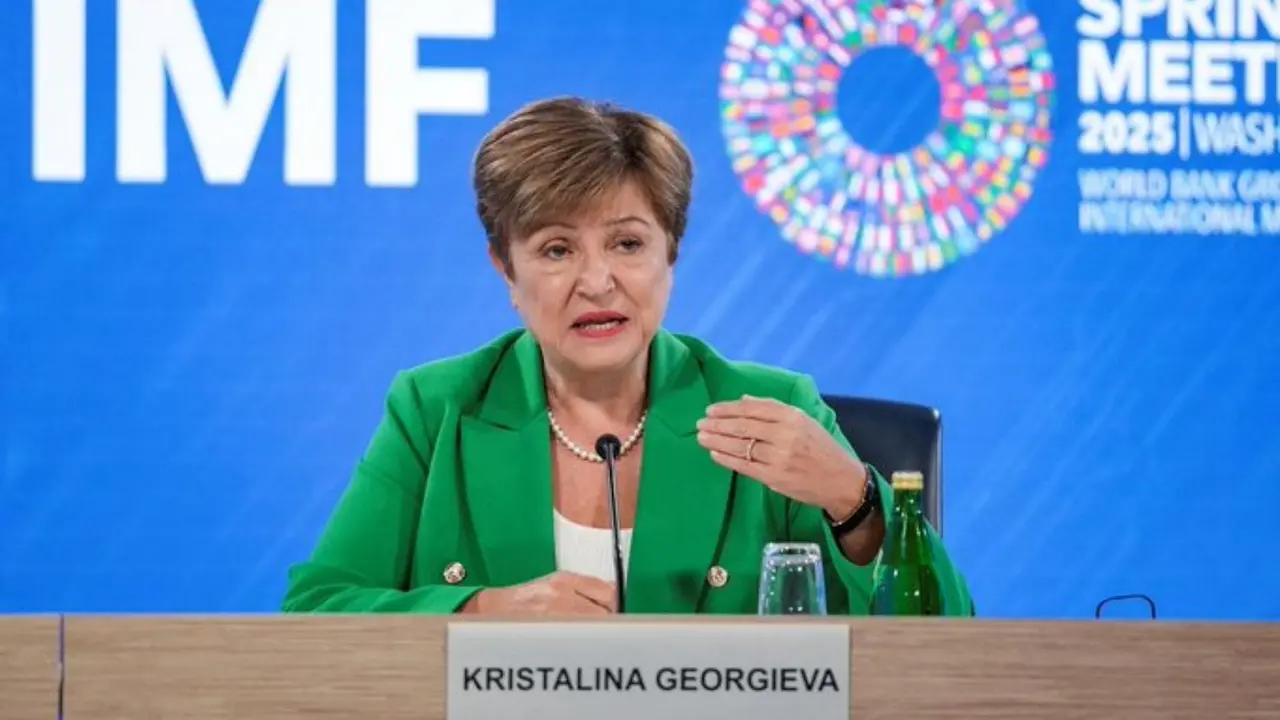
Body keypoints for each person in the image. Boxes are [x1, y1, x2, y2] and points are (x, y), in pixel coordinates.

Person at [281, 97, 973, 617]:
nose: (597, 280)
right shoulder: (436, 411)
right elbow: (315, 614)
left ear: (671, 251)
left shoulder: (774, 409)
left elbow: (945, 645)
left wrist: (852, 500)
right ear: (504, 268)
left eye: (628, 243)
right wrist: (480, 613)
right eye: (556, 249)